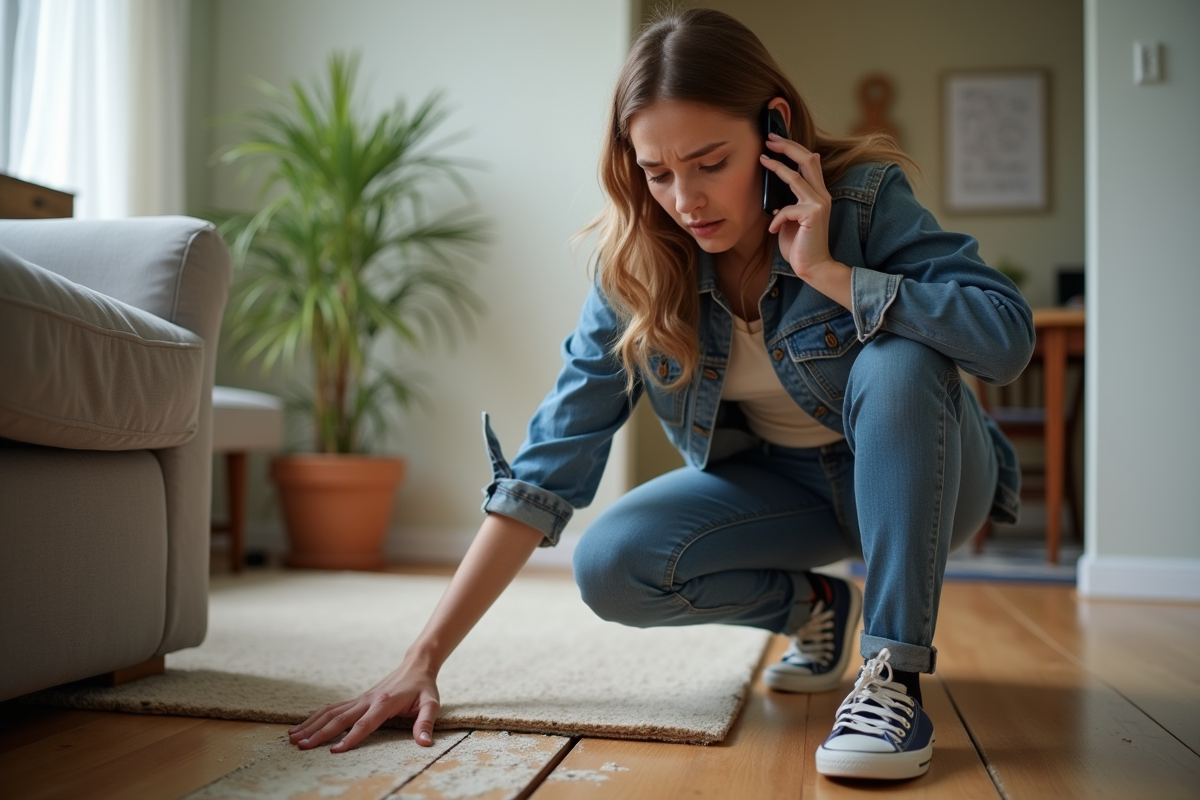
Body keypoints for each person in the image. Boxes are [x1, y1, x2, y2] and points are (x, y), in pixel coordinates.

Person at [287, 8, 1032, 782]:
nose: (686, 200)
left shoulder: (864, 202)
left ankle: (892, 680)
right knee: (610, 561)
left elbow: (1005, 338)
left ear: (773, 128)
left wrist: (829, 275)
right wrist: (421, 659)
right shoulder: (636, 270)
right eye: (658, 172)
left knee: (898, 361)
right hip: (789, 492)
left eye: (711, 162)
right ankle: (813, 607)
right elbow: (549, 467)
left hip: (935, 479)